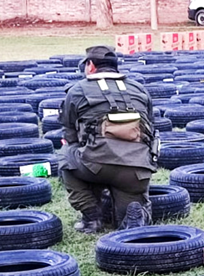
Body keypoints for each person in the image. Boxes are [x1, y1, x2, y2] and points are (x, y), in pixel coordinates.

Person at [59, 46, 159, 234]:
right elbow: (151, 127)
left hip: (97, 166)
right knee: (126, 214)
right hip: (137, 171)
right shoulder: (139, 88)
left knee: (67, 155)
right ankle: (134, 216)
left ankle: (91, 218)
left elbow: (69, 135)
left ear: (90, 65)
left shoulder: (77, 90)